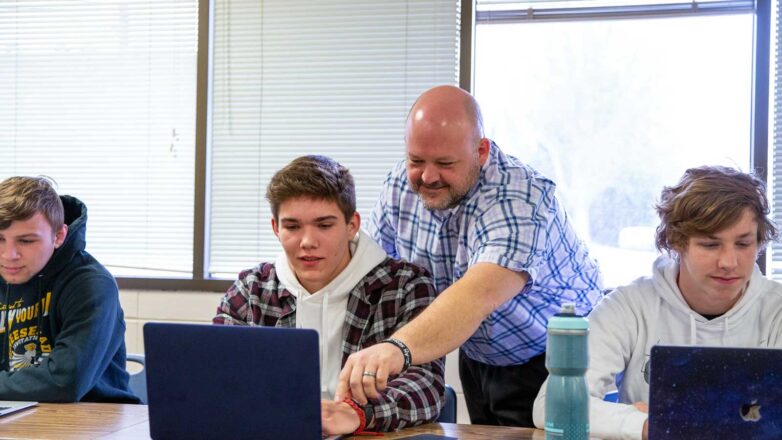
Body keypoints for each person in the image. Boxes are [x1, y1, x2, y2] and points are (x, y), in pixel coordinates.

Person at [335, 85, 604, 427]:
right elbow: (371, 270)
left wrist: (396, 349)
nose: (427, 177)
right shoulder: (400, 186)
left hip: (556, 360)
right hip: (478, 354)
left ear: (481, 151)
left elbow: (476, 295)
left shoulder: (520, 199)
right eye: (416, 161)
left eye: (445, 163)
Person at [532, 165, 782, 440]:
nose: (728, 262)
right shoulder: (629, 306)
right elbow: (551, 408)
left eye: (743, 244)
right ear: (677, 242)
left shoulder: (776, 310)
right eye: (710, 245)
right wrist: (643, 424)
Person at [212, 155, 444, 435]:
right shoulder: (252, 290)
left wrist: (359, 413)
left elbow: (426, 384)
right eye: (292, 226)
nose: (308, 242)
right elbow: (218, 377)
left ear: (352, 225)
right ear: (276, 228)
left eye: (324, 225)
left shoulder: (405, 285)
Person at [0, 176, 137, 402]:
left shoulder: (91, 284)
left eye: (26, 241)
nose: (9, 255)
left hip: (95, 421)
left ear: (59, 236)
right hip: (17, 414)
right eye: (0, 239)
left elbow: (65, 381)